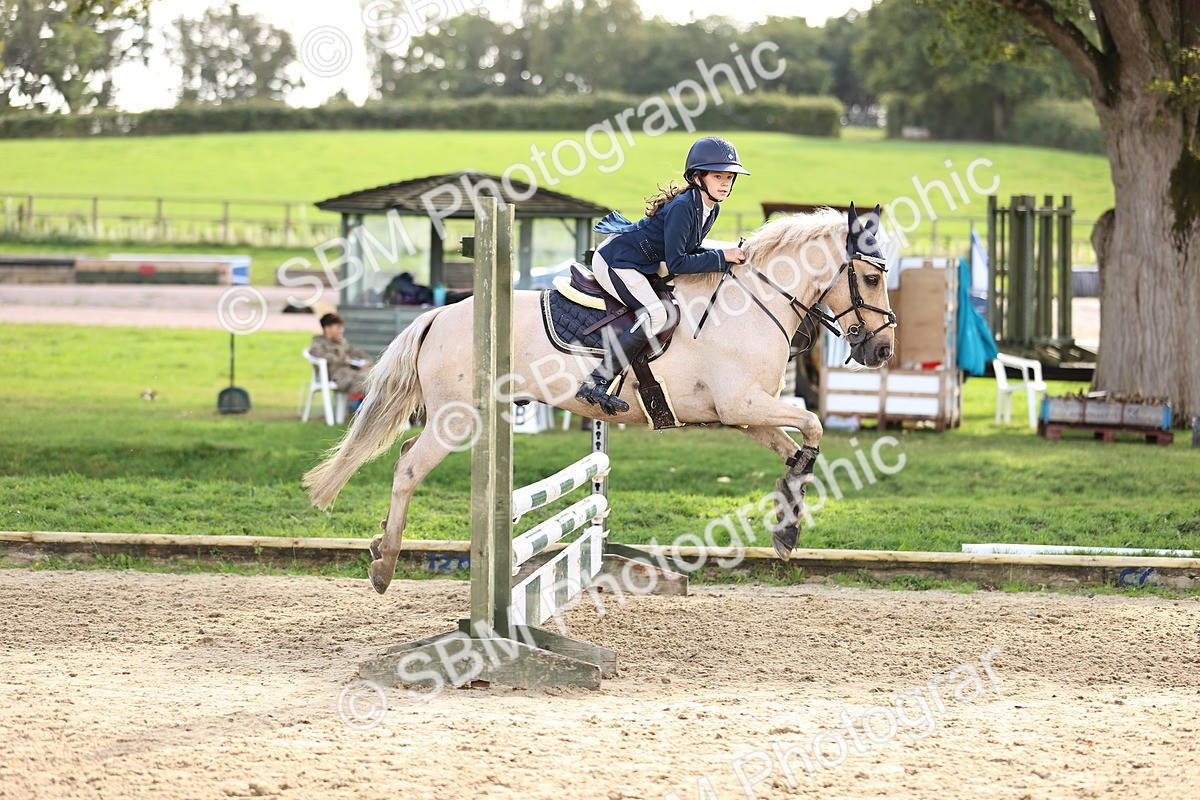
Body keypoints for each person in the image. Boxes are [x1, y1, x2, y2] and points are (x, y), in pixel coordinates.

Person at [576, 135, 749, 415]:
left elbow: (689, 249)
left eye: (730, 177)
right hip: (617, 261)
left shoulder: (710, 207)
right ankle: (596, 381)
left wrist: (724, 255)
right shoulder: (684, 207)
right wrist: (721, 256)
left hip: (642, 262)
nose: (725, 183)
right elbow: (679, 262)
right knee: (658, 314)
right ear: (697, 177)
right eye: (718, 176)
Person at [310, 312, 373, 396]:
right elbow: (322, 358)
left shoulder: (342, 343)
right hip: (336, 375)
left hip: (351, 373)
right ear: (327, 328)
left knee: (372, 377)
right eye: (338, 327)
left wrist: (366, 361)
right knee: (366, 383)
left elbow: (357, 352)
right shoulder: (318, 344)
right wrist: (343, 360)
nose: (342, 330)